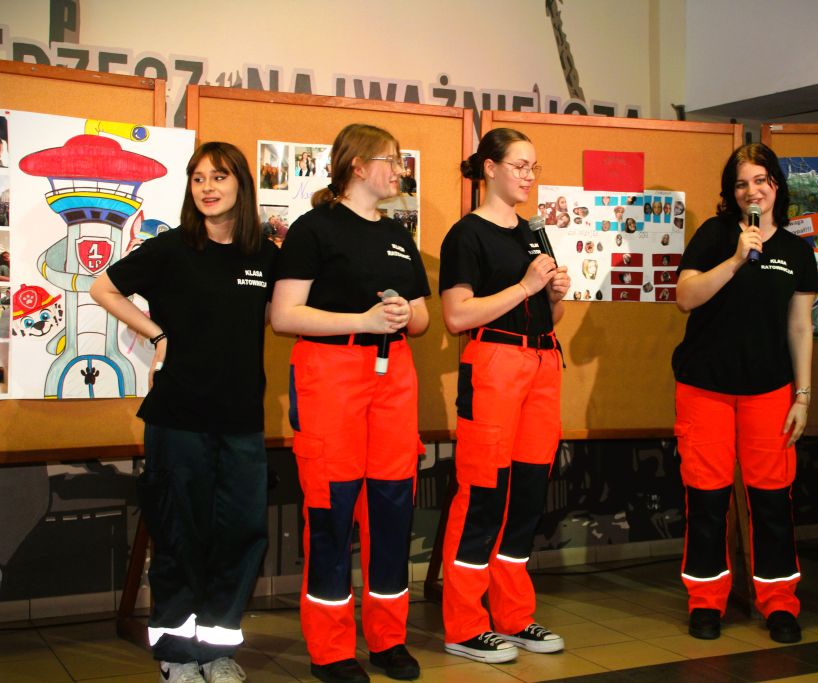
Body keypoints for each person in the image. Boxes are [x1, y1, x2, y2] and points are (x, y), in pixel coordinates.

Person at [90, 141, 277, 683]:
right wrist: (159, 335)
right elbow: (104, 288)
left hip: (241, 422)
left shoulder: (264, 256)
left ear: (241, 184)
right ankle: (176, 656)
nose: (207, 188)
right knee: (179, 538)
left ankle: (217, 651)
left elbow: (271, 316)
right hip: (178, 420)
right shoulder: (171, 248)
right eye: (198, 179)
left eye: (219, 177)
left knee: (240, 537)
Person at [271, 124, 430, 683]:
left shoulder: (397, 233)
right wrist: (361, 321)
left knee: (392, 509)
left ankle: (389, 640)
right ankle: (331, 649)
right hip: (331, 374)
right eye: (392, 160)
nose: (400, 170)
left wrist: (404, 313)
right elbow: (284, 315)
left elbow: (423, 318)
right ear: (358, 166)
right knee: (332, 513)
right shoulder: (314, 229)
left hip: (394, 376)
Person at [672, 142, 817, 644]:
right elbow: (685, 297)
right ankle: (706, 599)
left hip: (770, 392)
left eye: (759, 180)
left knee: (772, 500)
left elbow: (800, 327)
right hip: (705, 388)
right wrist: (736, 259)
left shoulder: (797, 251)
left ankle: (778, 601)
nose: (751, 191)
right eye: (740, 183)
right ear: (730, 192)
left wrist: (803, 395)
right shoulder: (715, 235)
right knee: (706, 498)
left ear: (776, 184)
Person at [439, 127, 570, 664]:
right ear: (489, 168)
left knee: (528, 494)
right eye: (519, 165)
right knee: (483, 493)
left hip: (542, 361)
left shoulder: (533, 233)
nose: (528, 176)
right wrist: (525, 286)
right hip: (494, 363)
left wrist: (554, 295)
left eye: (534, 167)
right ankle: (465, 624)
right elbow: (456, 316)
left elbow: (546, 315)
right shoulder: (466, 234)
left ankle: (513, 615)